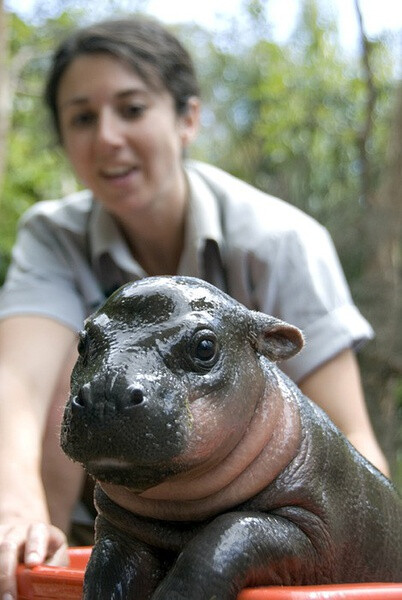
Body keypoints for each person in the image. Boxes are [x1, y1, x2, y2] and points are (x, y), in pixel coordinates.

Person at [0, 16, 389, 600]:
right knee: (72, 373)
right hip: (125, 508)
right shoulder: (53, 234)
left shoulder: (280, 239)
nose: (106, 137)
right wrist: (13, 508)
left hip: (259, 492)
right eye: (82, 117)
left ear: (187, 118)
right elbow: (19, 380)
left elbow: (350, 428)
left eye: (131, 109)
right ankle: (36, 564)